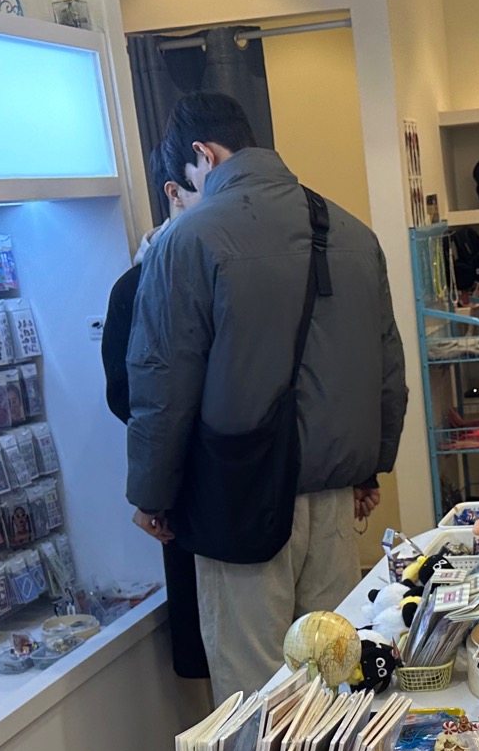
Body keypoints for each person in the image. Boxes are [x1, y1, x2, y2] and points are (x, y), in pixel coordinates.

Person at [127, 93, 408, 701]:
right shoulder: (354, 234)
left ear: (203, 155)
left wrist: (152, 493)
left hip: (237, 496)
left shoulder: (188, 241)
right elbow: (387, 363)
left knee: (254, 693)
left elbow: (162, 381)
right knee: (335, 677)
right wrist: (371, 468)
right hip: (334, 497)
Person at [102, 137, 208, 681]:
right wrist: (155, 491)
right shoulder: (136, 287)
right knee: (224, 652)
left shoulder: (222, 264)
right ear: (175, 192)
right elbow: (131, 399)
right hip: (188, 490)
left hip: (216, 486)